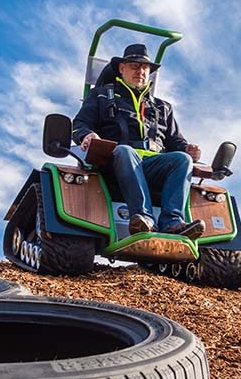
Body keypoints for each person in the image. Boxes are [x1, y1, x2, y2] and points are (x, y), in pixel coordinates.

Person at [72, 43, 205, 239]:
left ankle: (172, 222)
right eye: (134, 66)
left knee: (182, 159)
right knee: (125, 151)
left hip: (152, 166)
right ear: (121, 68)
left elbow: (176, 143)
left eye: (144, 67)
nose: (140, 71)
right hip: (114, 163)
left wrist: (189, 150)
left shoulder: (162, 107)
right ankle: (143, 218)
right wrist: (87, 135)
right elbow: (80, 124)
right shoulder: (100, 96)